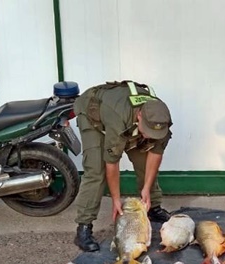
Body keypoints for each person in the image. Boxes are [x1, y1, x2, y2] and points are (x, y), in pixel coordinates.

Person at [72, 80, 173, 252]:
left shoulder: (160, 117)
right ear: (139, 116)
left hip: (125, 119)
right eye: (147, 130)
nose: (150, 135)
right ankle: (84, 227)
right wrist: (116, 199)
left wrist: (146, 189)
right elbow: (112, 163)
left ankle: (153, 207)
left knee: (143, 162)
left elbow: (155, 154)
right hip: (92, 112)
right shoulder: (118, 118)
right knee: (96, 170)